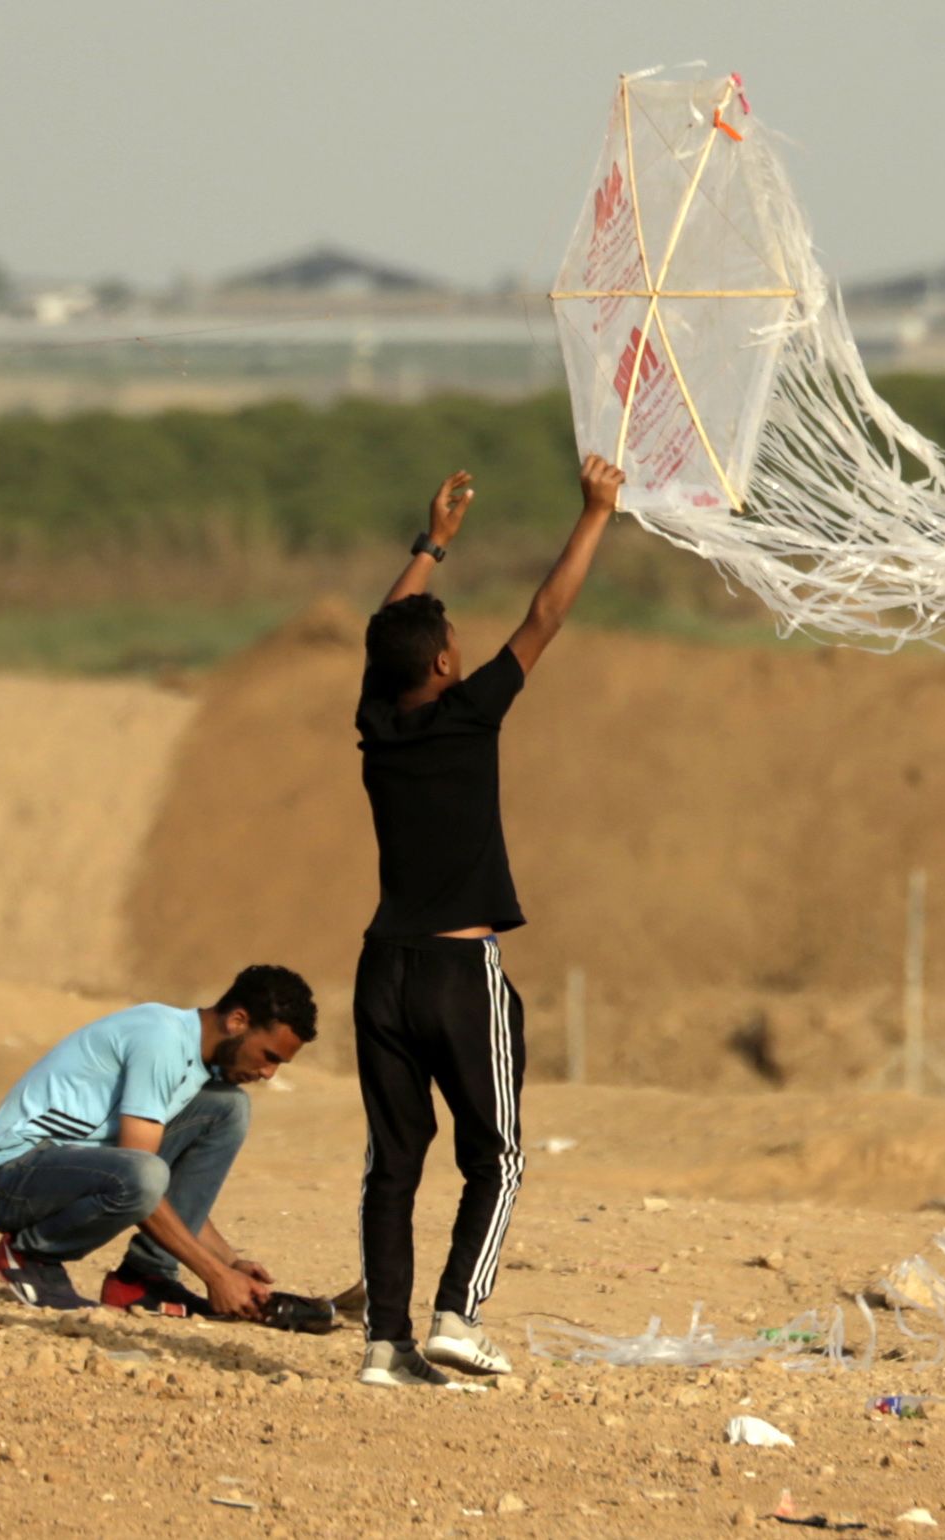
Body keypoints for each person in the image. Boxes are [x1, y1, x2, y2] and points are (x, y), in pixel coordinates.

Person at [349, 453, 624, 1388]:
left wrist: (430, 546)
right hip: (460, 974)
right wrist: (595, 513)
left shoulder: (378, 723)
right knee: (495, 1159)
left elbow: (383, 639)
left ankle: (385, 1346)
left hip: (381, 968)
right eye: (451, 640)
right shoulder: (469, 714)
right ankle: (457, 1318)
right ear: (443, 663)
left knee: (393, 1164)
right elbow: (544, 616)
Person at [0, 963, 329, 1328]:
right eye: (269, 1056)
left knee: (227, 1106)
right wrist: (215, 1275)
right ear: (237, 1021)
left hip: (73, 1169)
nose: (269, 1074)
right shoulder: (162, 1039)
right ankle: (31, 1255)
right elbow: (141, 1179)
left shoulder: (192, 1058)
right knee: (145, 1171)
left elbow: (160, 1193)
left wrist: (230, 1262)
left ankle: (144, 1280)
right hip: (12, 1178)